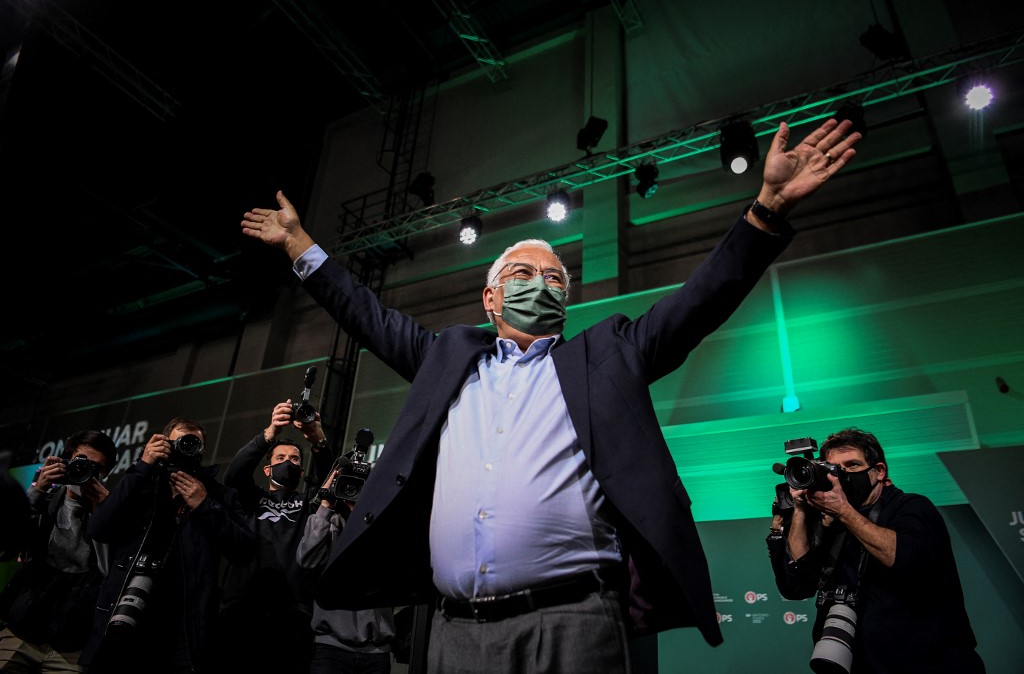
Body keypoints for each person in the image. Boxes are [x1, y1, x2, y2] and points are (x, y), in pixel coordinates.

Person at [241, 118, 861, 672]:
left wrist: (767, 210)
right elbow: (364, 314)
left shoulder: (607, 356)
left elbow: (697, 304)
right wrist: (299, 244)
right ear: (490, 298)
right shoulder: (446, 360)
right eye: (522, 273)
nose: (541, 283)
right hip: (452, 630)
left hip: (574, 624)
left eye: (554, 278)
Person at [770, 427, 984, 673]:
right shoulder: (831, 520)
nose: (843, 475)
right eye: (834, 468)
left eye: (852, 465)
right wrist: (800, 509)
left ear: (879, 471)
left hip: (929, 664)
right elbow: (797, 584)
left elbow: (907, 559)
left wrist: (844, 511)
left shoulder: (911, 506)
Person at [80, 417, 255, 674]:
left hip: (182, 627)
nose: (186, 447)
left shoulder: (220, 495)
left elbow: (244, 551)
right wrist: (142, 466)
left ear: (202, 450)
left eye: (193, 442)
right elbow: (98, 528)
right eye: (179, 442)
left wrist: (205, 505)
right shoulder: (142, 485)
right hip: (126, 614)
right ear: (165, 445)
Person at [215, 399, 334, 672]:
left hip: (293, 611)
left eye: (294, 459)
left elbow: (330, 481)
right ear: (267, 469)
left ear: (302, 472)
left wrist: (317, 438)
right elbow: (234, 475)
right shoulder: (251, 498)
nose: (287, 462)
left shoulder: (309, 503)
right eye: (280, 458)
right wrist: (270, 433)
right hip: (243, 607)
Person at [0, 430, 116, 673]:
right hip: (23, 628)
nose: (85, 470)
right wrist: (37, 490)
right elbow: (10, 542)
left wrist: (103, 514)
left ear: (105, 474)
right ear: (65, 462)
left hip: (72, 645)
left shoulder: (111, 513)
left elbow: (109, 571)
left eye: (96, 467)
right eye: (80, 462)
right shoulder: (45, 499)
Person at [296, 442, 396, 674]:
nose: (354, 490)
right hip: (331, 650)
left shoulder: (384, 526)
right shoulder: (329, 524)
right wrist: (325, 503)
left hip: (376, 652)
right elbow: (306, 559)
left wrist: (366, 512)